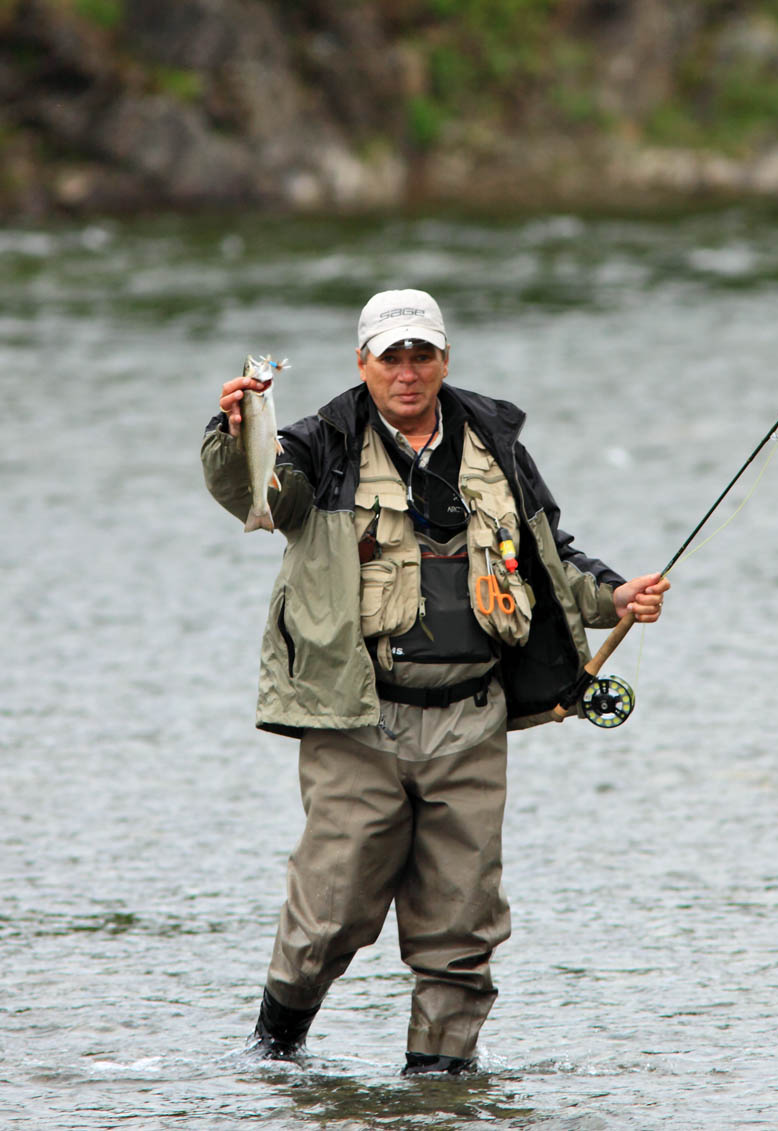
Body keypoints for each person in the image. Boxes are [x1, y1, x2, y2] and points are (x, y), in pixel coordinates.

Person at [201, 288, 669, 1075]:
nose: (408, 371)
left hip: (472, 719)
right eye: (392, 357)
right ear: (364, 364)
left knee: (461, 925)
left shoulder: (496, 445)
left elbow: (550, 556)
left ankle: (440, 1087)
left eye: (422, 354)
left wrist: (615, 595)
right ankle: (271, 1058)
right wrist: (234, 432)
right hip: (358, 719)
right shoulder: (320, 444)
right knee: (331, 911)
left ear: (444, 359)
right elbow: (254, 495)